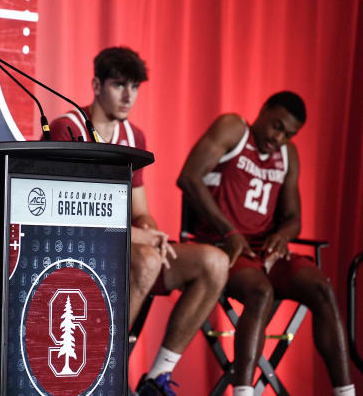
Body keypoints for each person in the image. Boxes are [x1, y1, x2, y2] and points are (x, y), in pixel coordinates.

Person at [48, 46, 229, 396]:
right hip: (77, 247)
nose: (129, 96)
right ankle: (99, 369)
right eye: (119, 85)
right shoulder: (67, 127)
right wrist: (140, 239)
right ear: (96, 85)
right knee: (145, 259)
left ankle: (156, 378)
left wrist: (151, 231)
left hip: (124, 246)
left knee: (214, 262)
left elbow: (140, 209)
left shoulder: (134, 136)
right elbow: (66, 212)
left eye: (135, 87)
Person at [177, 91, 355, 396]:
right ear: (263, 110)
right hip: (223, 247)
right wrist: (229, 232)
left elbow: (293, 218)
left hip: (264, 252)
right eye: (277, 126)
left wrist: (283, 236)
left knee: (323, 288)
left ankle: (346, 392)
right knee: (261, 292)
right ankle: (244, 392)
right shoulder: (234, 129)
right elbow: (189, 178)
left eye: (289, 134)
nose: (280, 138)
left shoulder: (288, 155)